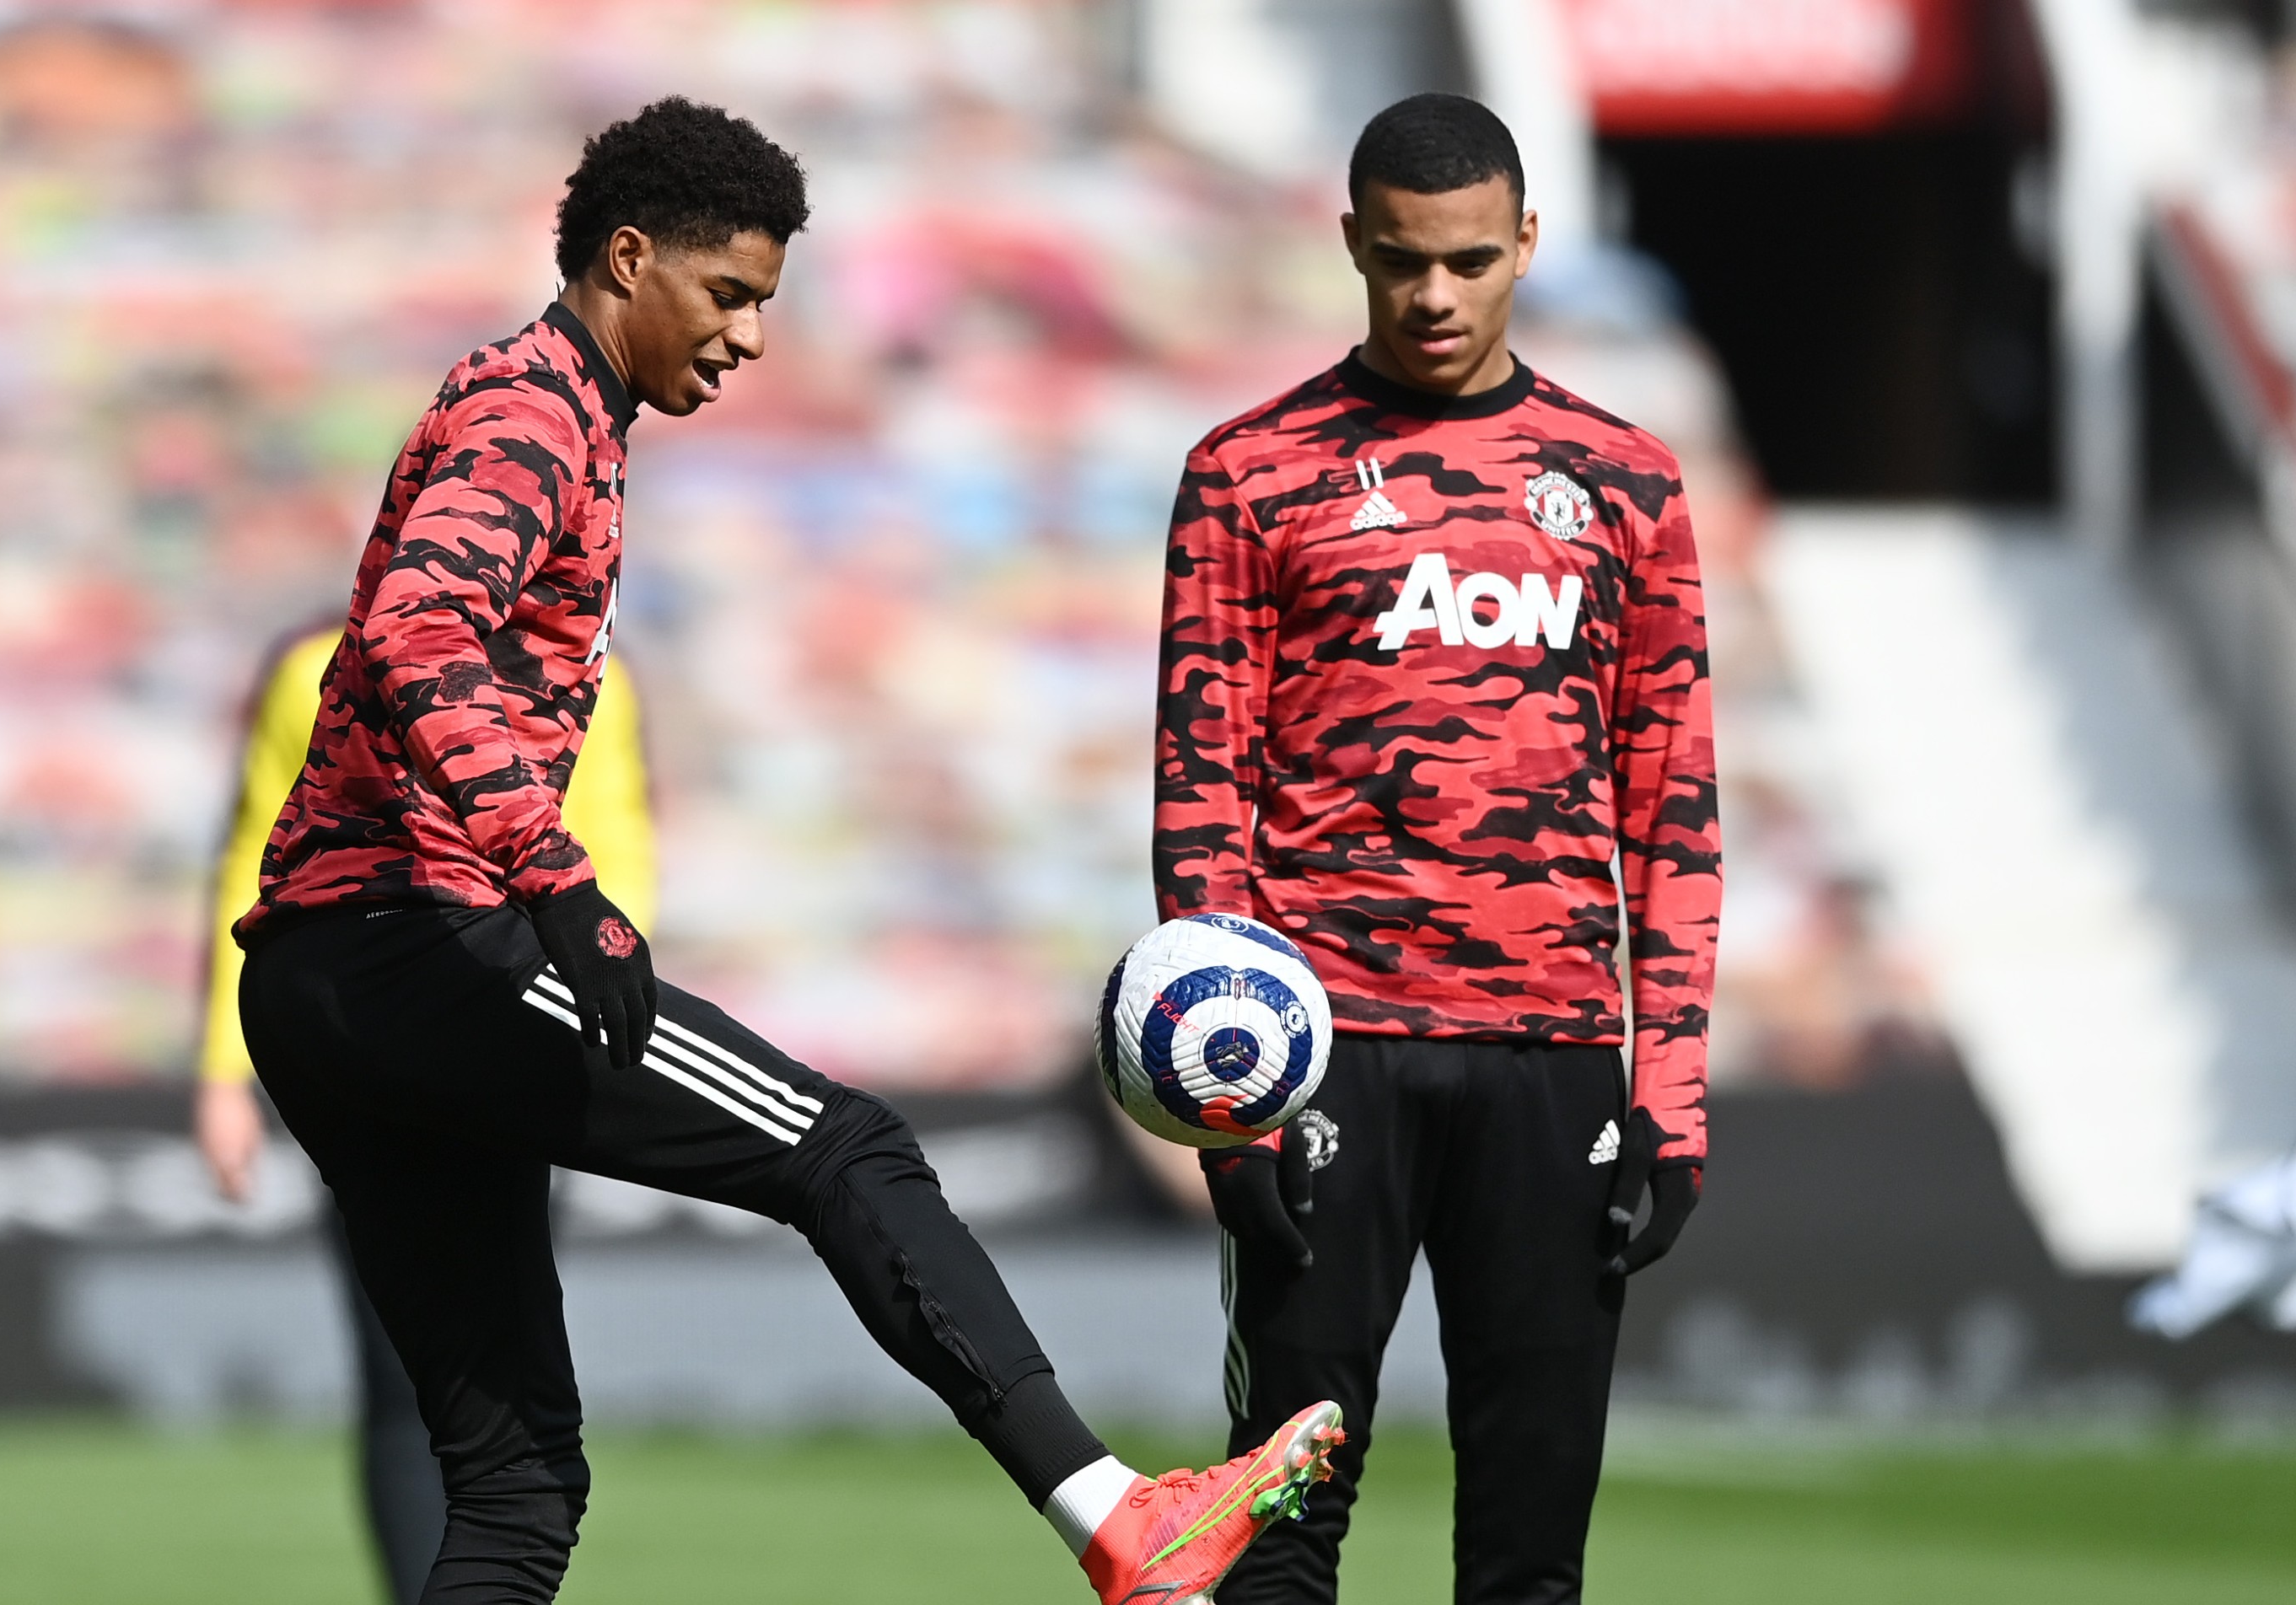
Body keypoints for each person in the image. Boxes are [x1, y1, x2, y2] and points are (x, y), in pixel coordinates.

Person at [228, 96, 1342, 1605]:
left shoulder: (552, 411)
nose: (753, 336)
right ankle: (1116, 1516)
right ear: (630, 258)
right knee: (847, 1146)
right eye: (733, 293)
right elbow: (420, 631)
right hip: (413, 937)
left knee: (515, 1483)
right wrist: (552, 875)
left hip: (323, 973)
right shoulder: (530, 409)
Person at [1154, 94, 1720, 1604]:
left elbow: (1674, 805)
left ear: (1527, 242)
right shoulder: (1247, 473)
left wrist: (1668, 1095)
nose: (1434, 295)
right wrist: (1232, 1104)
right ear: (1352, 241)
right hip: (1326, 1049)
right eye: (1402, 259)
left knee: (1529, 1549)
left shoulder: (1629, 483)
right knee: (1275, 1524)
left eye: (1471, 259)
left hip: (1554, 1062)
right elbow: (1199, 799)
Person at [196, 623, 657, 1602]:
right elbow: (261, 858)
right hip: (428, 1046)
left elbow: (616, 855)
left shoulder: (593, 680)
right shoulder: (312, 666)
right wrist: (221, 1073)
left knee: (478, 1391)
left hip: (431, 1047)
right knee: (430, 1383)